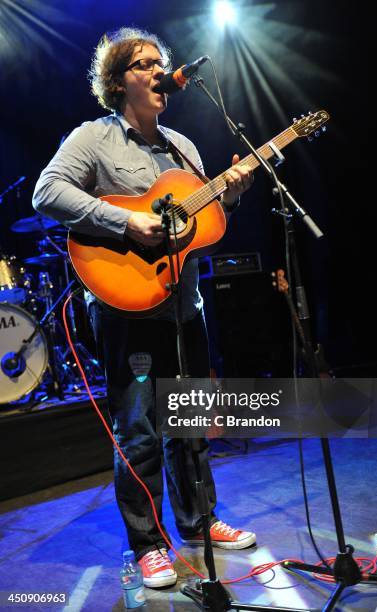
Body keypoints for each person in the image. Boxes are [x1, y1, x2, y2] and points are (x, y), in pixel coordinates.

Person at [33, 27, 255, 589]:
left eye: (162, 62)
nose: (159, 71)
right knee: (138, 430)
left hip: (184, 305)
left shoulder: (183, 148)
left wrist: (227, 192)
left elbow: (200, 224)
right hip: (127, 307)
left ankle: (200, 521)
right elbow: (47, 192)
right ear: (118, 81)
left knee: (190, 425)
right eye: (144, 63)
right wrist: (126, 220)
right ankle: (149, 544)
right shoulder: (94, 138)